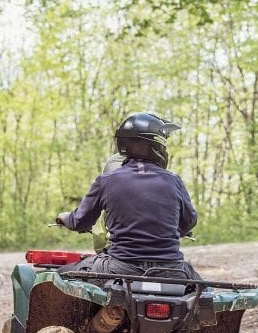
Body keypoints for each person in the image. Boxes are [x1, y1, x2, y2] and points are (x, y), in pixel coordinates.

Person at [55, 112, 200, 281]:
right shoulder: (173, 181)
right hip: (172, 271)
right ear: (157, 146)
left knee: (60, 277)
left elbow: (80, 222)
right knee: (203, 293)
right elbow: (188, 222)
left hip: (121, 269)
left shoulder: (107, 180)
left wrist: (64, 217)